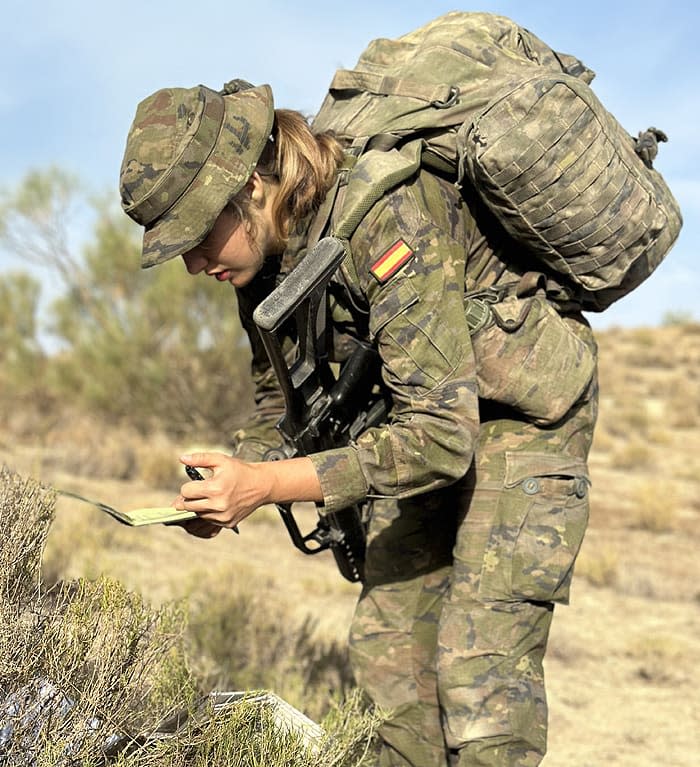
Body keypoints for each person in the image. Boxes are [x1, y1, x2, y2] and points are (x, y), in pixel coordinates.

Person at [119, 76, 597, 766]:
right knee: (390, 656)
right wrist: (231, 478)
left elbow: (440, 436)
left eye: (197, 234)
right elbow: (279, 404)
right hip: (416, 422)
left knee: (477, 673)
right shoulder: (263, 260)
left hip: (520, 416)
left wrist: (269, 483)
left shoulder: (383, 215)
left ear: (252, 185)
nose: (193, 264)